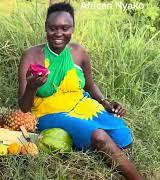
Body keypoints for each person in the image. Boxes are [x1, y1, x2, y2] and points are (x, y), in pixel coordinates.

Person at [18, 2, 142, 180]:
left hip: (82, 105)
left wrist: (106, 103)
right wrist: (32, 87)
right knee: (100, 137)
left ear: (72, 28)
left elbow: (90, 86)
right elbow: (23, 107)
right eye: (53, 28)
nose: (59, 34)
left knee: (124, 140)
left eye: (65, 28)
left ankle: (85, 141)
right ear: (46, 27)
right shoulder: (31, 56)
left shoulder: (79, 52)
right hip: (50, 112)